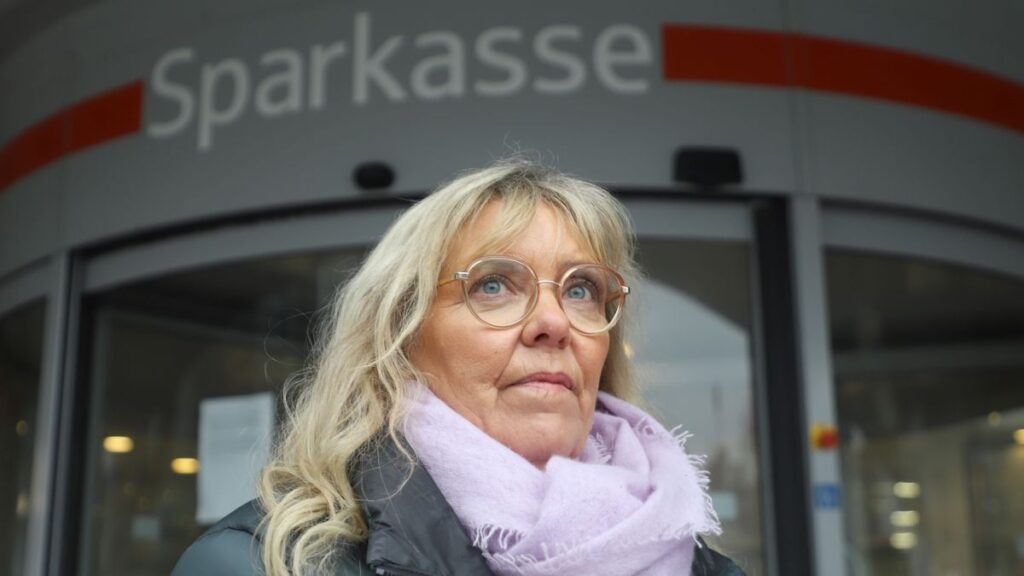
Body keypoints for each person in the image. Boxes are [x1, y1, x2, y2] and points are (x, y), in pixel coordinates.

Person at [172, 160, 745, 575]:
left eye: (581, 290)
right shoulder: (259, 563)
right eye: (494, 285)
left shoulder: (695, 562)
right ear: (400, 336)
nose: (554, 322)